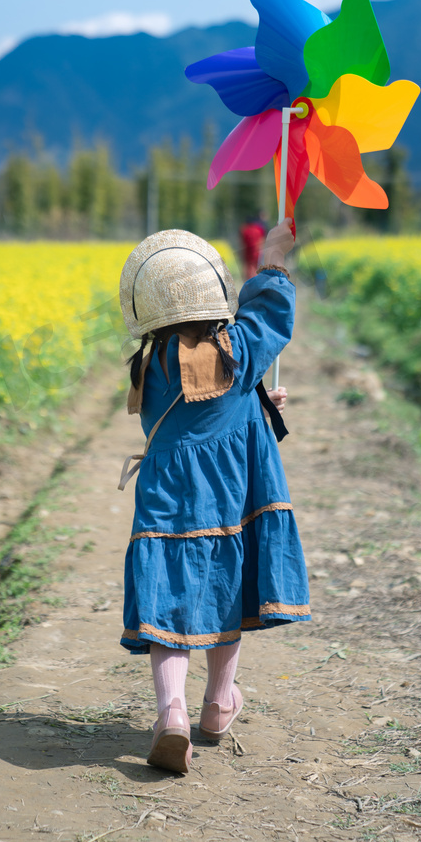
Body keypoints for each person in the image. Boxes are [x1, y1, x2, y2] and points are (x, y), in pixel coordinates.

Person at [117, 220, 310, 774]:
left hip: (169, 497)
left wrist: (253, 399)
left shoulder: (148, 364)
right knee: (228, 588)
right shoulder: (236, 350)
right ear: (214, 292)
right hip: (230, 493)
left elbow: (199, 402)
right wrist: (272, 254)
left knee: (172, 594)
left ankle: (170, 712)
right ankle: (219, 702)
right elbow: (270, 315)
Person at [238, 211, 268, 279]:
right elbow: (262, 240)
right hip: (257, 251)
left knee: (248, 267)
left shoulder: (243, 229)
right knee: (256, 267)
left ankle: (248, 281)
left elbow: (241, 242)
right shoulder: (259, 229)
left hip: (247, 251)